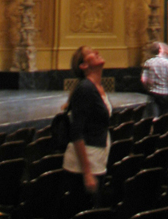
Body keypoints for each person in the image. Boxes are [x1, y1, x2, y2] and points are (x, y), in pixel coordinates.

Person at [61, 46, 111, 214]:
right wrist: (87, 172)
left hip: (97, 160)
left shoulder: (96, 87)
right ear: (83, 66)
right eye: (90, 52)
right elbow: (76, 132)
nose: (96, 52)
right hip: (84, 165)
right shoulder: (85, 89)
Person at [141, 42, 168, 118]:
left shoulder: (149, 62)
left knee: (154, 116)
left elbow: (144, 79)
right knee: (165, 116)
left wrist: (147, 88)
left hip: (153, 93)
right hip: (166, 93)